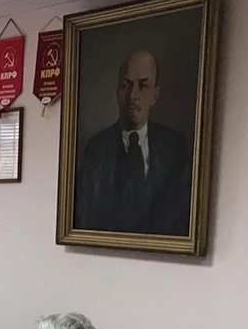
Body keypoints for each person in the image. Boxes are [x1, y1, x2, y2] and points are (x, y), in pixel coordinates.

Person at [74, 50, 192, 237]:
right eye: (125, 85)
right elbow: (85, 215)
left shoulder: (175, 146)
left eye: (143, 86)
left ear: (155, 95)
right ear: (117, 92)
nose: (133, 95)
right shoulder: (96, 149)